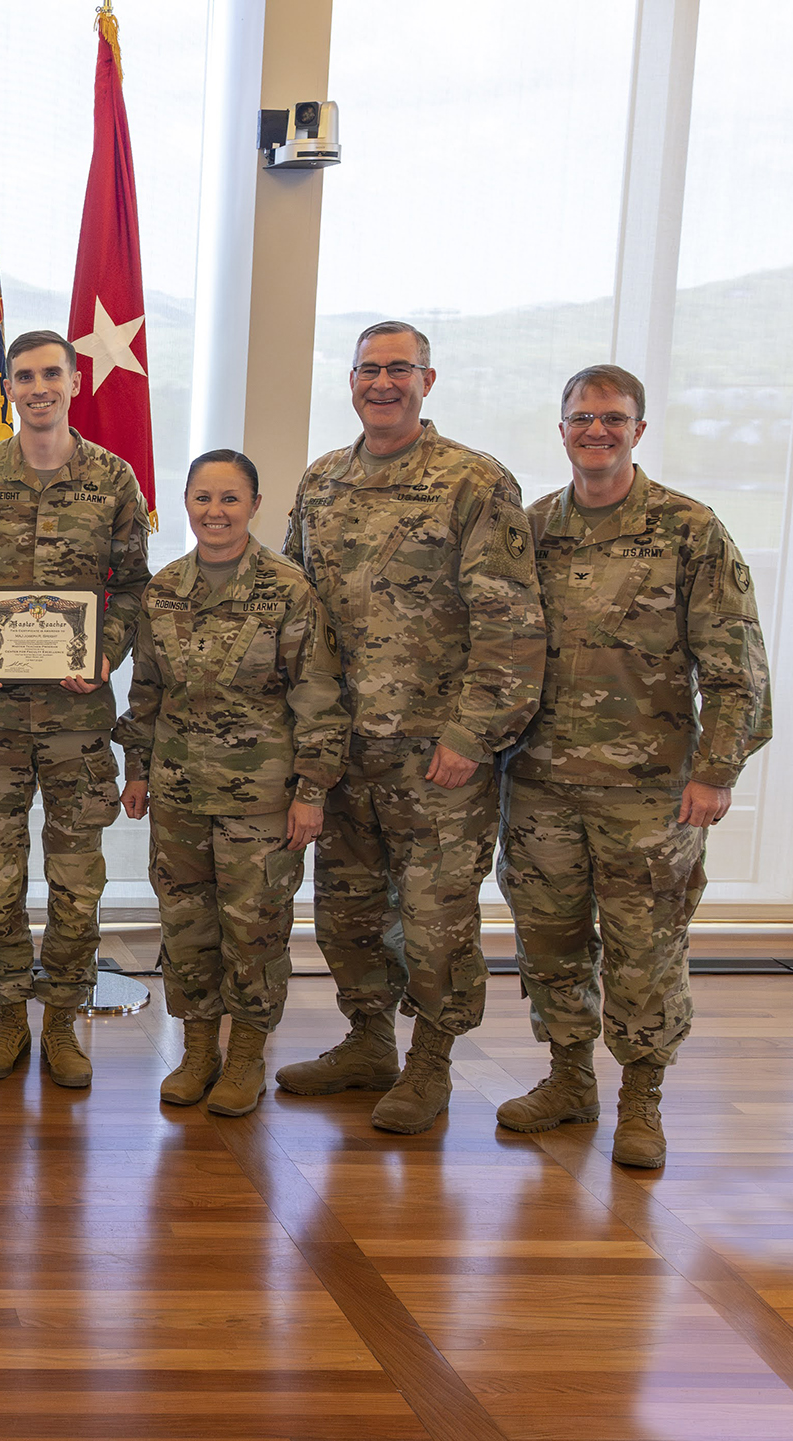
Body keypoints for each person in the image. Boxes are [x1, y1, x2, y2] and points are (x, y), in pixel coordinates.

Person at [495, 365, 770, 1168]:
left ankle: (642, 1099)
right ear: (562, 429)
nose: (597, 431)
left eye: (613, 418)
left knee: (645, 950)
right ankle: (569, 1077)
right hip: (540, 784)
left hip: (651, 794)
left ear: (639, 430)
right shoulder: (533, 529)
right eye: (582, 418)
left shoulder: (691, 529)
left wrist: (715, 770)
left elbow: (736, 665)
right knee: (549, 940)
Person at [277, 320, 544, 1133]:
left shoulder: (474, 482)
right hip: (343, 749)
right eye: (369, 370)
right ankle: (367, 1041)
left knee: (436, 920)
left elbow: (512, 623)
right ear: (350, 380)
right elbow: (296, 608)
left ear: (429, 380)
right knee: (347, 911)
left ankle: (432, 1060)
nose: (382, 383)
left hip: (437, 755)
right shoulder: (322, 482)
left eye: (400, 369)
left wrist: (473, 735)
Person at [0, 329, 151, 1088]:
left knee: (74, 880)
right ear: (10, 386)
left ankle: (61, 1020)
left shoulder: (114, 479)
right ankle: (6, 1019)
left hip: (76, 721)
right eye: (23, 376)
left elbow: (131, 586)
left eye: (50, 374)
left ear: (73, 378)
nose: (38, 388)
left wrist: (107, 649)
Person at [118, 451, 348, 1116]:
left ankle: (246, 1052)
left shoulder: (287, 589)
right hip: (180, 792)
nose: (215, 512)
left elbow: (317, 693)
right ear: (186, 504)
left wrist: (312, 790)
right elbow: (147, 691)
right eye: (202, 498)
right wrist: (136, 769)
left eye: (229, 499)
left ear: (253, 505)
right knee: (186, 926)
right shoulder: (163, 591)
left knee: (254, 929)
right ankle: (197, 1050)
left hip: (263, 800)